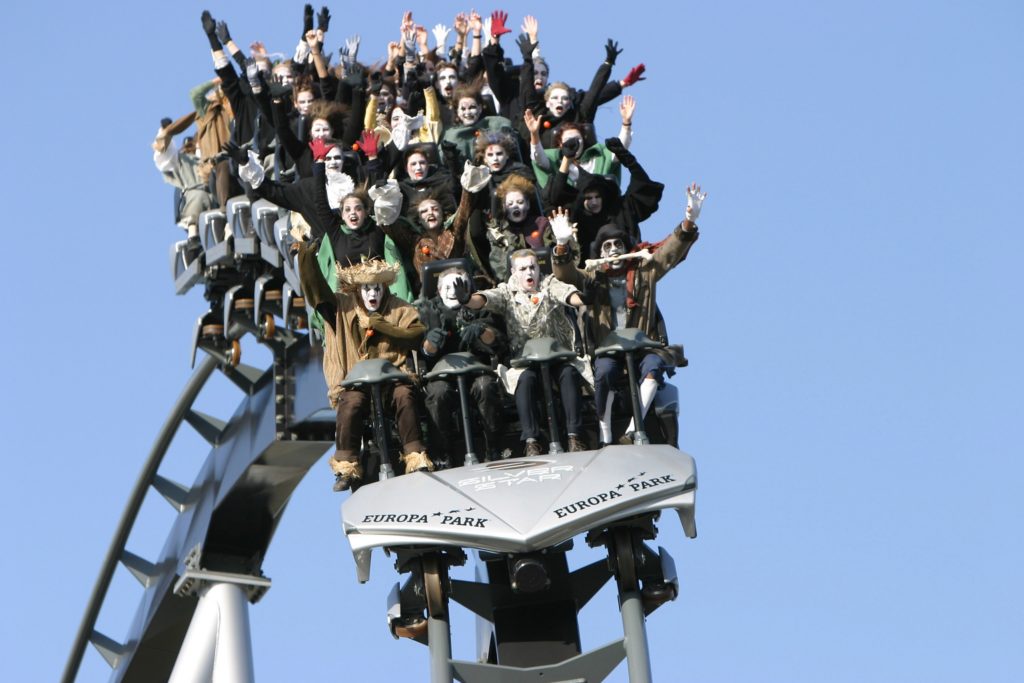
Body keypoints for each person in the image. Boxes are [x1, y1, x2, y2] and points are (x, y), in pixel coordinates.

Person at [549, 183, 706, 445]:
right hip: (607, 350)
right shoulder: (593, 278)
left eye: (618, 244)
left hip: (643, 346)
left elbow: (669, 253)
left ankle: (635, 428)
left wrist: (689, 221)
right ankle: (606, 434)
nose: (613, 249)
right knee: (604, 372)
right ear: (599, 253)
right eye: (607, 246)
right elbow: (566, 274)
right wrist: (562, 244)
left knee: (654, 365)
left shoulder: (645, 271)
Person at [296, 254, 431, 491]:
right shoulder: (342, 307)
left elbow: (416, 335)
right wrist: (306, 255)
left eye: (377, 288)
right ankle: (347, 466)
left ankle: (415, 457)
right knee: (350, 404)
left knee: (404, 396)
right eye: (367, 289)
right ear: (358, 290)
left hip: (393, 380)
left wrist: (382, 326)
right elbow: (316, 291)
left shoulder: (400, 308)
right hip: (357, 384)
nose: (373, 294)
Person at [456, 249, 591, 456]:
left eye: (532, 267)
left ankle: (575, 436)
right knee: (525, 380)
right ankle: (531, 440)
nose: (529, 272)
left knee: (568, 374)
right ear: (514, 272)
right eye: (523, 268)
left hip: (558, 355)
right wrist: (467, 300)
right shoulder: (507, 292)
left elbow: (568, 295)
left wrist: (583, 298)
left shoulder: (549, 284)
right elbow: (485, 299)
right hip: (525, 360)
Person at [419, 267, 508, 465]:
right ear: (439, 290)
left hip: (477, 369)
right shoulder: (427, 311)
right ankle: (443, 455)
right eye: (447, 287)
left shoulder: (480, 307)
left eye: (459, 286)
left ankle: (494, 448)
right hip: (442, 373)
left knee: (485, 387)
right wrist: (430, 343)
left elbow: (497, 342)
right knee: (438, 393)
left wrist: (482, 331)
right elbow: (423, 351)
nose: (453, 292)